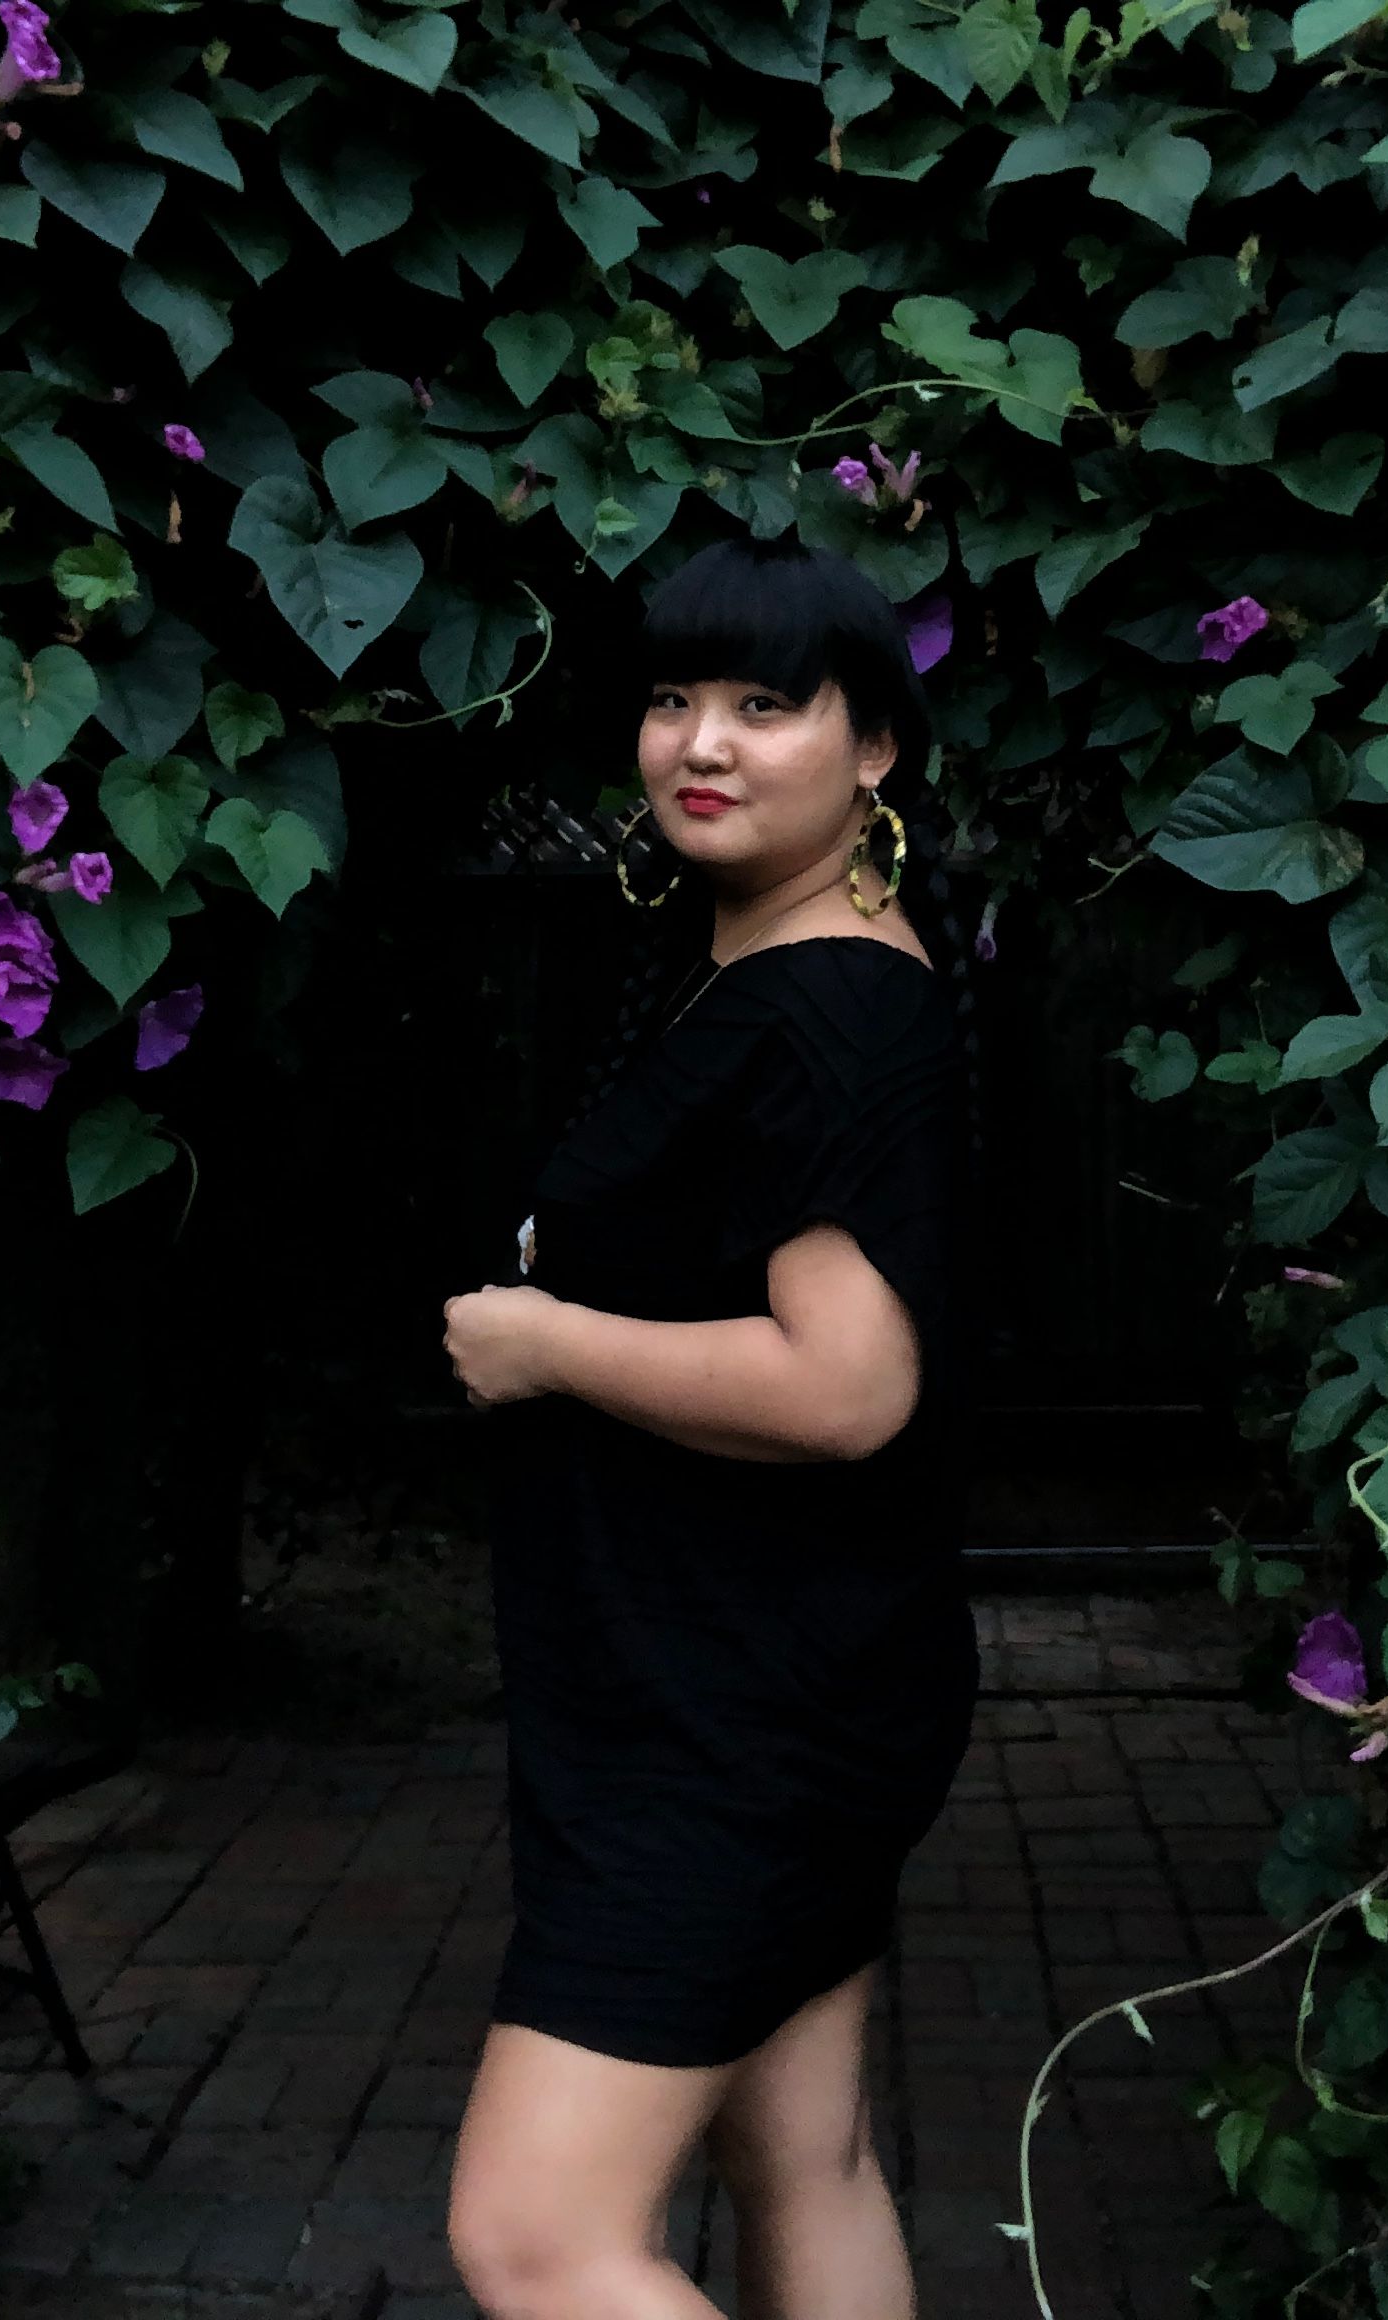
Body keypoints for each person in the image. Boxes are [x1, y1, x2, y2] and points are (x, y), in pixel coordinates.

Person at [438, 534, 982, 2320]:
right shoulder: (803, 972)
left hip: (728, 1721)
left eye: (768, 703)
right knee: (797, 2158)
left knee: (536, 2241)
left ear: (874, 749)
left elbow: (846, 1388)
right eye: (675, 698)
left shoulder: (823, 1011)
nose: (705, 741)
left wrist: (547, 1344)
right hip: (769, 1674)